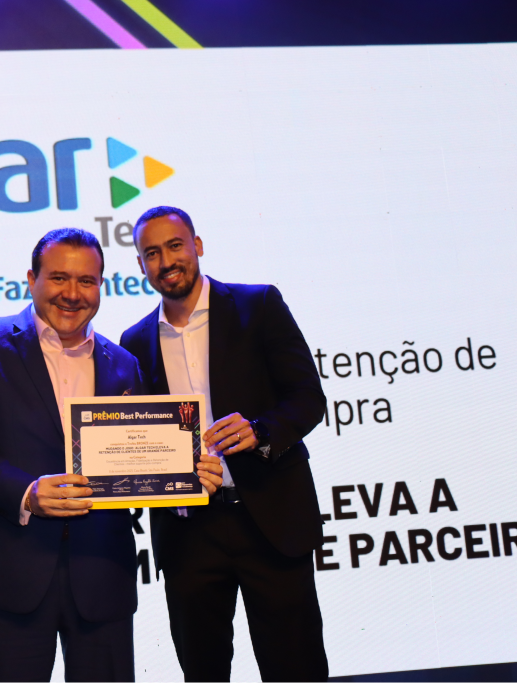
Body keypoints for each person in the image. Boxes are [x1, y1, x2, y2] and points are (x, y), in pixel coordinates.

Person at [0, 228, 224, 683]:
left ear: (101, 286)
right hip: (9, 566)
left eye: (87, 281)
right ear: (31, 279)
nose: (73, 294)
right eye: (58, 279)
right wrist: (26, 493)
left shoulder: (122, 362)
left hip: (101, 569)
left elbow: (141, 458)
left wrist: (188, 474)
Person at [119, 206, 329, 682]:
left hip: (271, 522)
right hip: (189, 532)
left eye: (175, 245)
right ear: (140, 266)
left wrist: (260, 431)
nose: (166, 260)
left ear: (197, 244)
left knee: (296, 668)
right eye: (151, 253)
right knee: (203, 670)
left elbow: (308, 398)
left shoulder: (258, 306)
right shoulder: (133, 343)